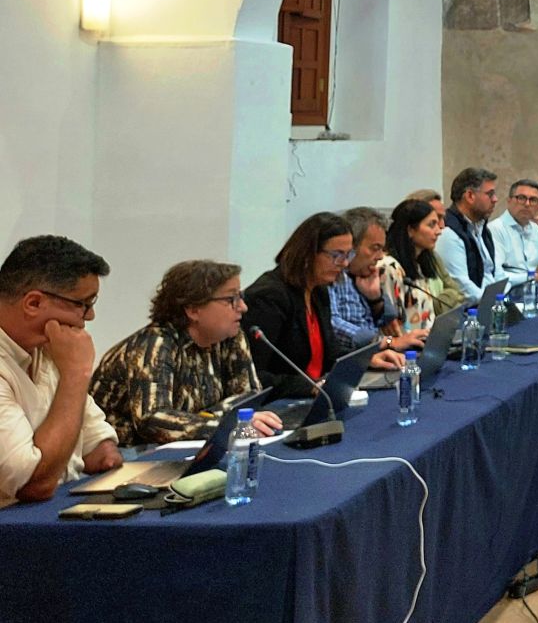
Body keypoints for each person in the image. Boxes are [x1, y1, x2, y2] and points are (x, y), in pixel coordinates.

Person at [91, 260, 285, 446]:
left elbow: (249, 396)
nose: (243, 307)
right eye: (231, 299)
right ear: (193, 310)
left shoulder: (230, 337)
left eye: (240, 296)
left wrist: (213, 418)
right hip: (124, 453)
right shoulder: (155, 345)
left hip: (188, 446)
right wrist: (227, 425)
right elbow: (153, 421)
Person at [0, 235, 121, 505]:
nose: (90, 316)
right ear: (33, 303)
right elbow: (33, 484)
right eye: (83, 304)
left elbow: (97, 447)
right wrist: (76, 374)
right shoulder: (66, 359)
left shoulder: (49, 347)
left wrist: (106, 452)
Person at [246, 212, 402, 400]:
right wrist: (309, 387)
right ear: (307, 253)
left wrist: (366, 360)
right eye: (337, 255)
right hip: (279, 406)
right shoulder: (268, 297)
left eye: (348, 255)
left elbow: (330, 354)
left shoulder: (318, 290)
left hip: (315, 396)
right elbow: (254, 376)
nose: (344, 263)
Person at [328, 206, 423, 356]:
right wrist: (387, 342)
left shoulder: (363, 274)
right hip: (352, 359)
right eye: (375, 248)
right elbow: (332, 324)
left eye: (382, 249)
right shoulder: (331, 275)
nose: (380, 257)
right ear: (351, 246)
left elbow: (390, 317)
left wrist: (376, 299)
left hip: (374, 354)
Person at [381, 198, 462, 324]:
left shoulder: (421, 262)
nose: (439, 231)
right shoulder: (389, 266)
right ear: (410, 230)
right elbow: (392, 324)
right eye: (431, 225)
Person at [491, 178, 538, 288]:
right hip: (506, 292)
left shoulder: (537, 230)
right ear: (509, 201)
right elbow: (496, 277)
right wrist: (532, 276)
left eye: (533, 200)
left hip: (533, 291)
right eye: (521, 198)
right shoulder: (495, 229)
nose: (527, 204)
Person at [435, 166, 498, 300]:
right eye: (490, 194)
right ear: (470, 196)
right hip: (471, 307)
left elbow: (493, 273)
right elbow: (462, 287)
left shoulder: (482, 229)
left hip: (487, 302)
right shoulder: (449, 233)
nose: (495, 199)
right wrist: (493, 302)